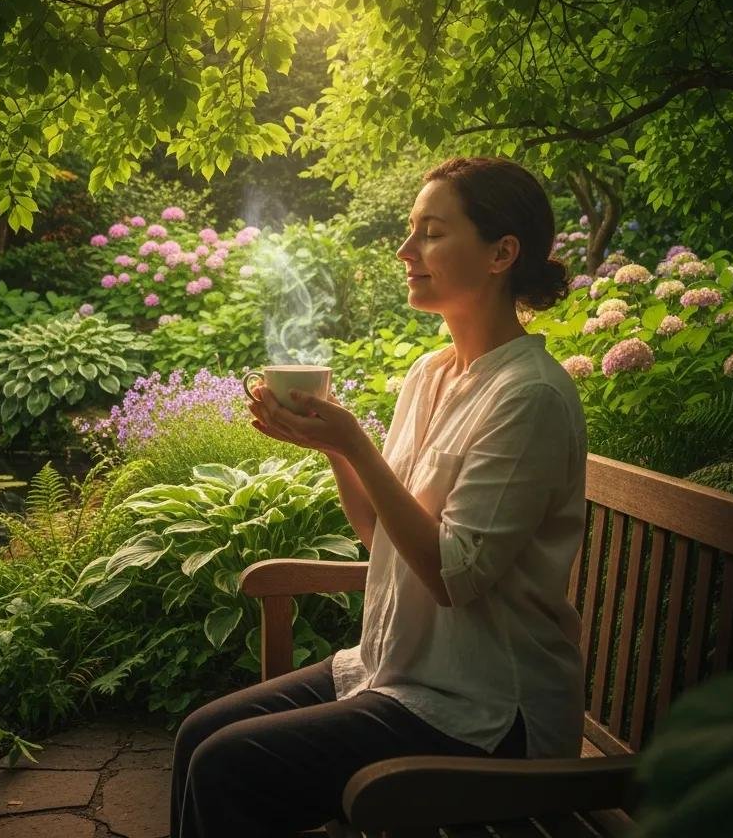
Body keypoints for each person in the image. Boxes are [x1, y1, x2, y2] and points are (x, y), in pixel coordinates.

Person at [169, 156, 588, 838]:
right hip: (401, 672)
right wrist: (335, 448)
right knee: (198, 735)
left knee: (228, 766)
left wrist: (357, 444)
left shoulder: (529, 396)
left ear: (501, 254)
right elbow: (380, 534)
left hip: (486, 711)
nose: (405, 250)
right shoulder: (430, 374)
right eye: (410, 230)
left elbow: (453, 575)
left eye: (432, 233)